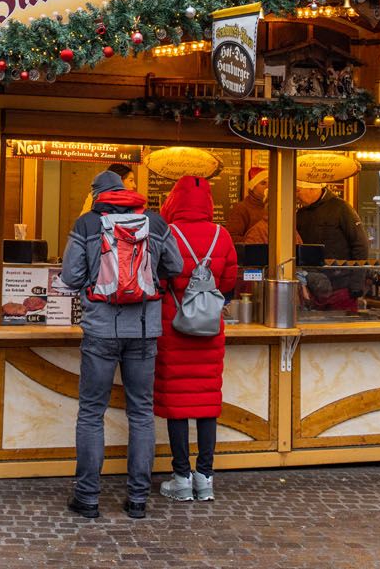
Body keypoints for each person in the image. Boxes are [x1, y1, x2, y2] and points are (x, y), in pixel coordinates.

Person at [60, 169, 182, 520]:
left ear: (98, 195)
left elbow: (70, 276)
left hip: (100, 329)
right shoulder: (155, 223)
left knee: (91, 413)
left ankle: (87, 498)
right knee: (141, 413)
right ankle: (138, 500)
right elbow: (174, 267)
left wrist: (95, 280)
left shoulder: (86, 224)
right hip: (144, 331)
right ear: (126, 190)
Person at [153, 175, 240, 503]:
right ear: (208, 204)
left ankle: (181, 477)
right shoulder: (222, 235)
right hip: (210, 328)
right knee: (206, 404)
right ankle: (205, 478)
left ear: (174, 201)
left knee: (177, 405)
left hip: (173, 327)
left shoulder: (167, 234)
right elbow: (230, 280)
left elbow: (158, 278)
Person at [296, 183, 369, 260]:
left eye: (297, 191)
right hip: (307, 271)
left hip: (339, 270)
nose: (296, 196)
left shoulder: (341, 208)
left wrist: (356, 271)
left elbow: (360, 244)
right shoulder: (301, 214)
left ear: (313, 189)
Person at [226, 166, 268, 244]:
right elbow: (231, 237)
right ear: (253, 187)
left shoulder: (277, 208)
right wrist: (254, 242)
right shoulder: (241, 208)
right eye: (263, 183)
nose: (268, 187)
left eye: (271, 183)